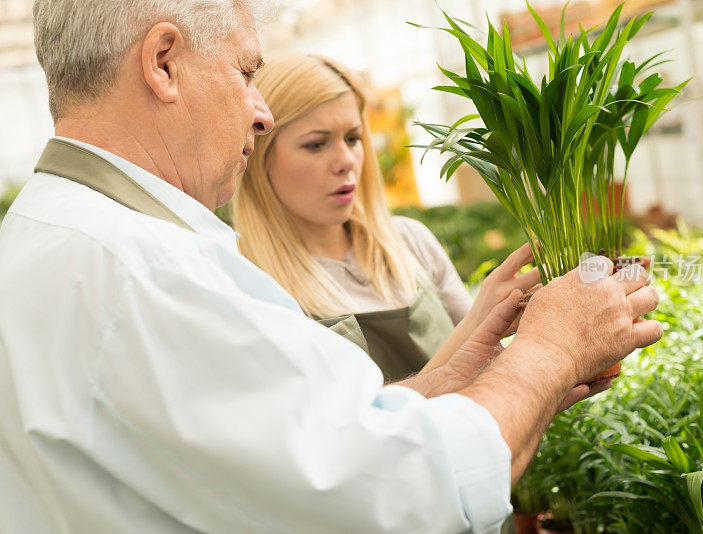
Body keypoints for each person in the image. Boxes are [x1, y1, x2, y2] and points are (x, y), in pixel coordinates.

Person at [0, 1, 663, 533]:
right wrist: (551, 349)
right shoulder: (148, 272)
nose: (259, 113)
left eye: (351, 138)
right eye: (246, 73)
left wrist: (442, 381)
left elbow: (279, 453)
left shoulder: (50, 233)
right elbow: (406, 495)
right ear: (164, 63)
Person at [234, 54, 542, 382]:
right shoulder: (251, 286)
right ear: (260, 154)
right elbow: (356, 427)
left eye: (353, 138)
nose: (345, 161)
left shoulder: (410, 242)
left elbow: (492, 374)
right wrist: (477, 324)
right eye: (316, 144)